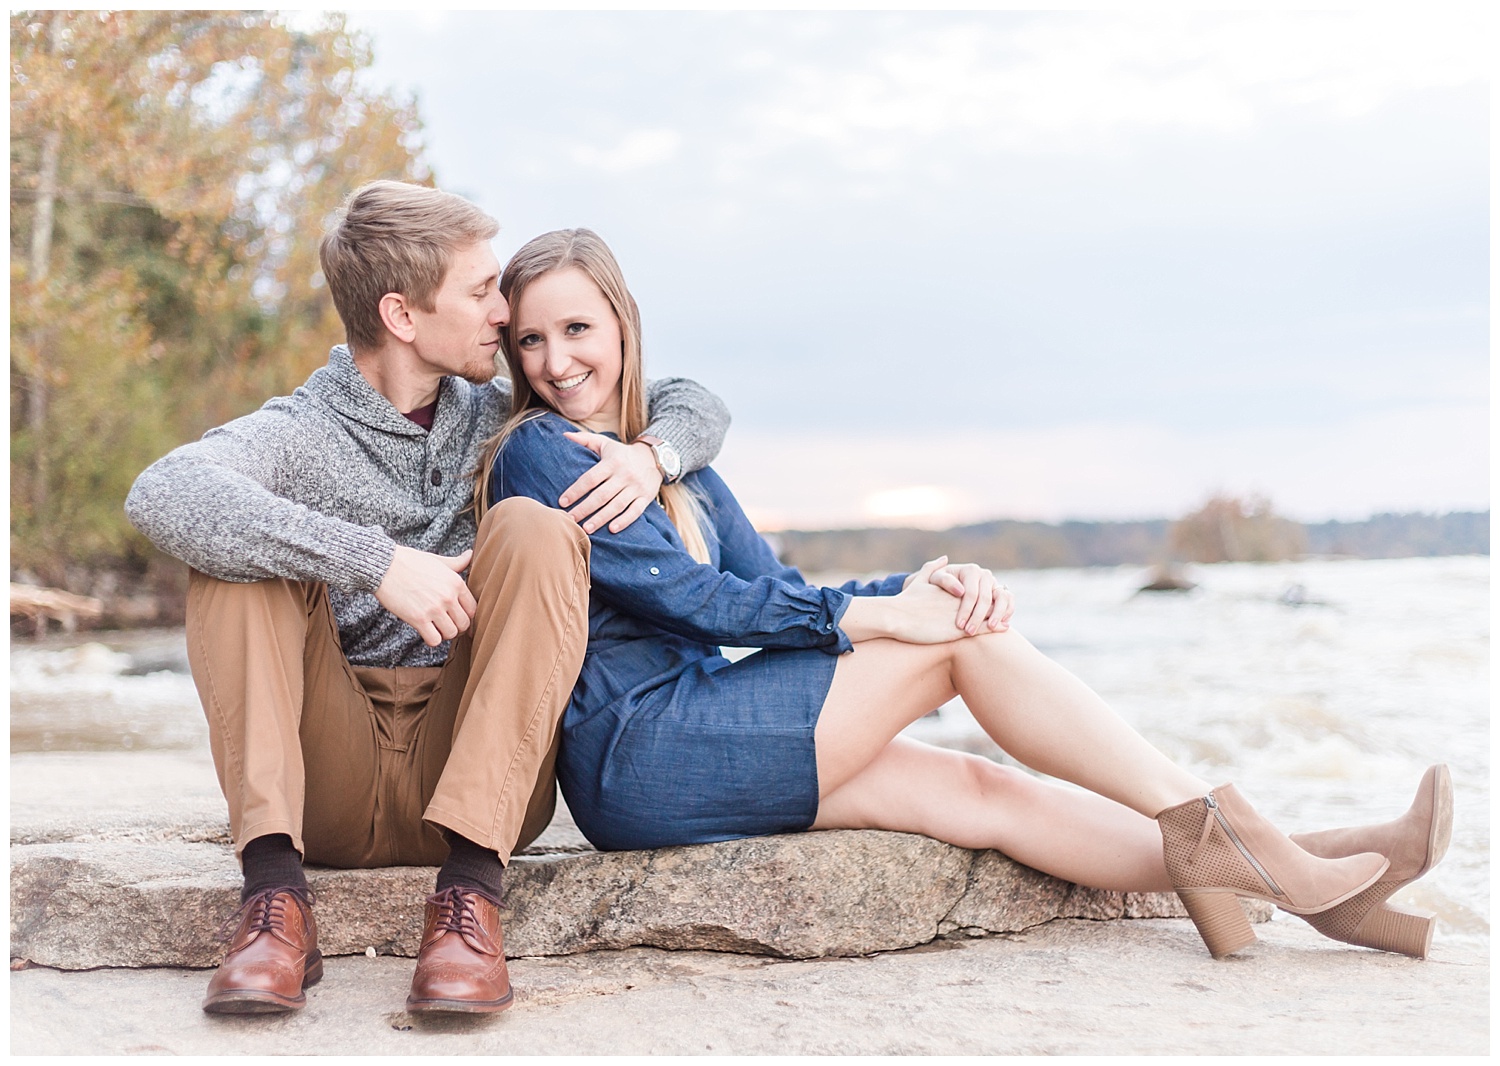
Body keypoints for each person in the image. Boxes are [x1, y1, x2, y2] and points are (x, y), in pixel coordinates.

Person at [482, 227, 1452, 964]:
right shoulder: (539, 451)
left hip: (698, 733)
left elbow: (774, 589)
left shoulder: (675, 463)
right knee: (956, 643)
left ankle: (1315, 870)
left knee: (981, 790)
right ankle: (1238, 833)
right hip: (637, 749)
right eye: (530, 339)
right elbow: (697, 604)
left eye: (577, 328)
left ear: (623, 325)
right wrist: (892, 616)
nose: (556, 361)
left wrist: (915, 583)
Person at [124, 182, 732, 1015]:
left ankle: (470, 904)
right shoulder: (299, 431)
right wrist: (376, 563)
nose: (502, 312)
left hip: (476, 773)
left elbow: (693, 398)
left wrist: (651, 457)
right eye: (482, 292)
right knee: (233, 560)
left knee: (534, 527)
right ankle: (272, 905)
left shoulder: (501, 411)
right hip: (324, 780)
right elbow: (165, 491)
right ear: (403, 316)